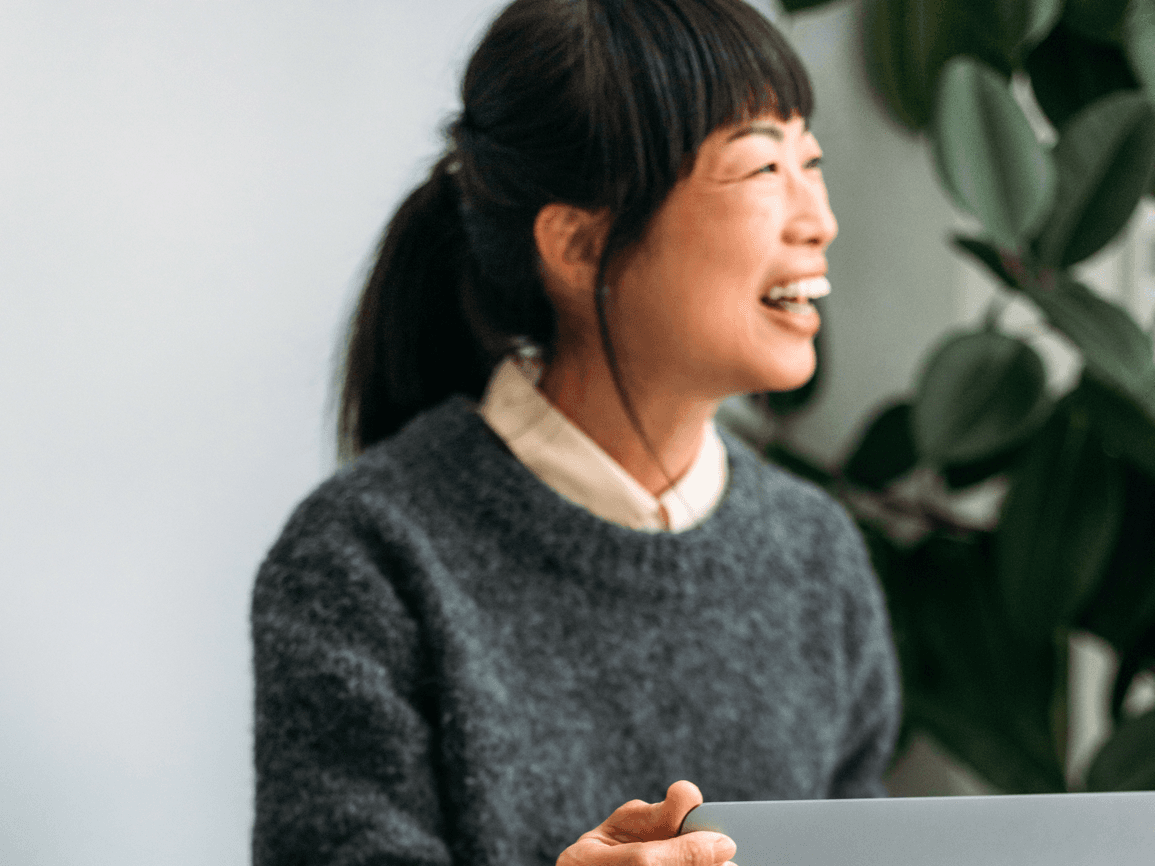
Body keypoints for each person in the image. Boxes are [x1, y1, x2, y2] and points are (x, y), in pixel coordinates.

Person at [250, 0, 901, 864]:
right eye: (760, 170)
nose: (815, 217)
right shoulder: (364, 558)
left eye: (808, 162)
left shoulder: (817, 556)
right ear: (580, 244)